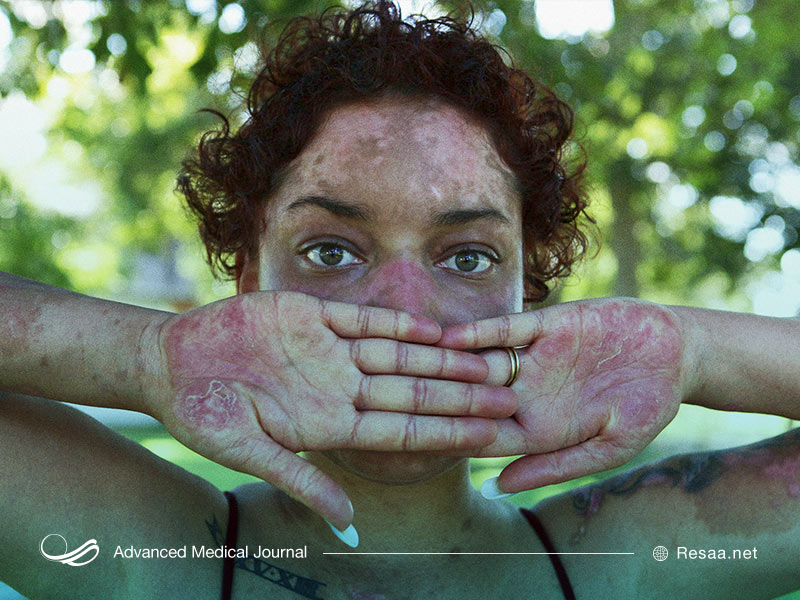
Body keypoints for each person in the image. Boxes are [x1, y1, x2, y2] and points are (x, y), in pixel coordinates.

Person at [1, 2, 798, 598]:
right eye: (331, 250)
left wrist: (696, 351)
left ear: (530, 297)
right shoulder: (157, 552)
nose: (407, 315)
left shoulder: (612, 567)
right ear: (248, 283)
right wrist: (142, 358)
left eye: (469, 256)